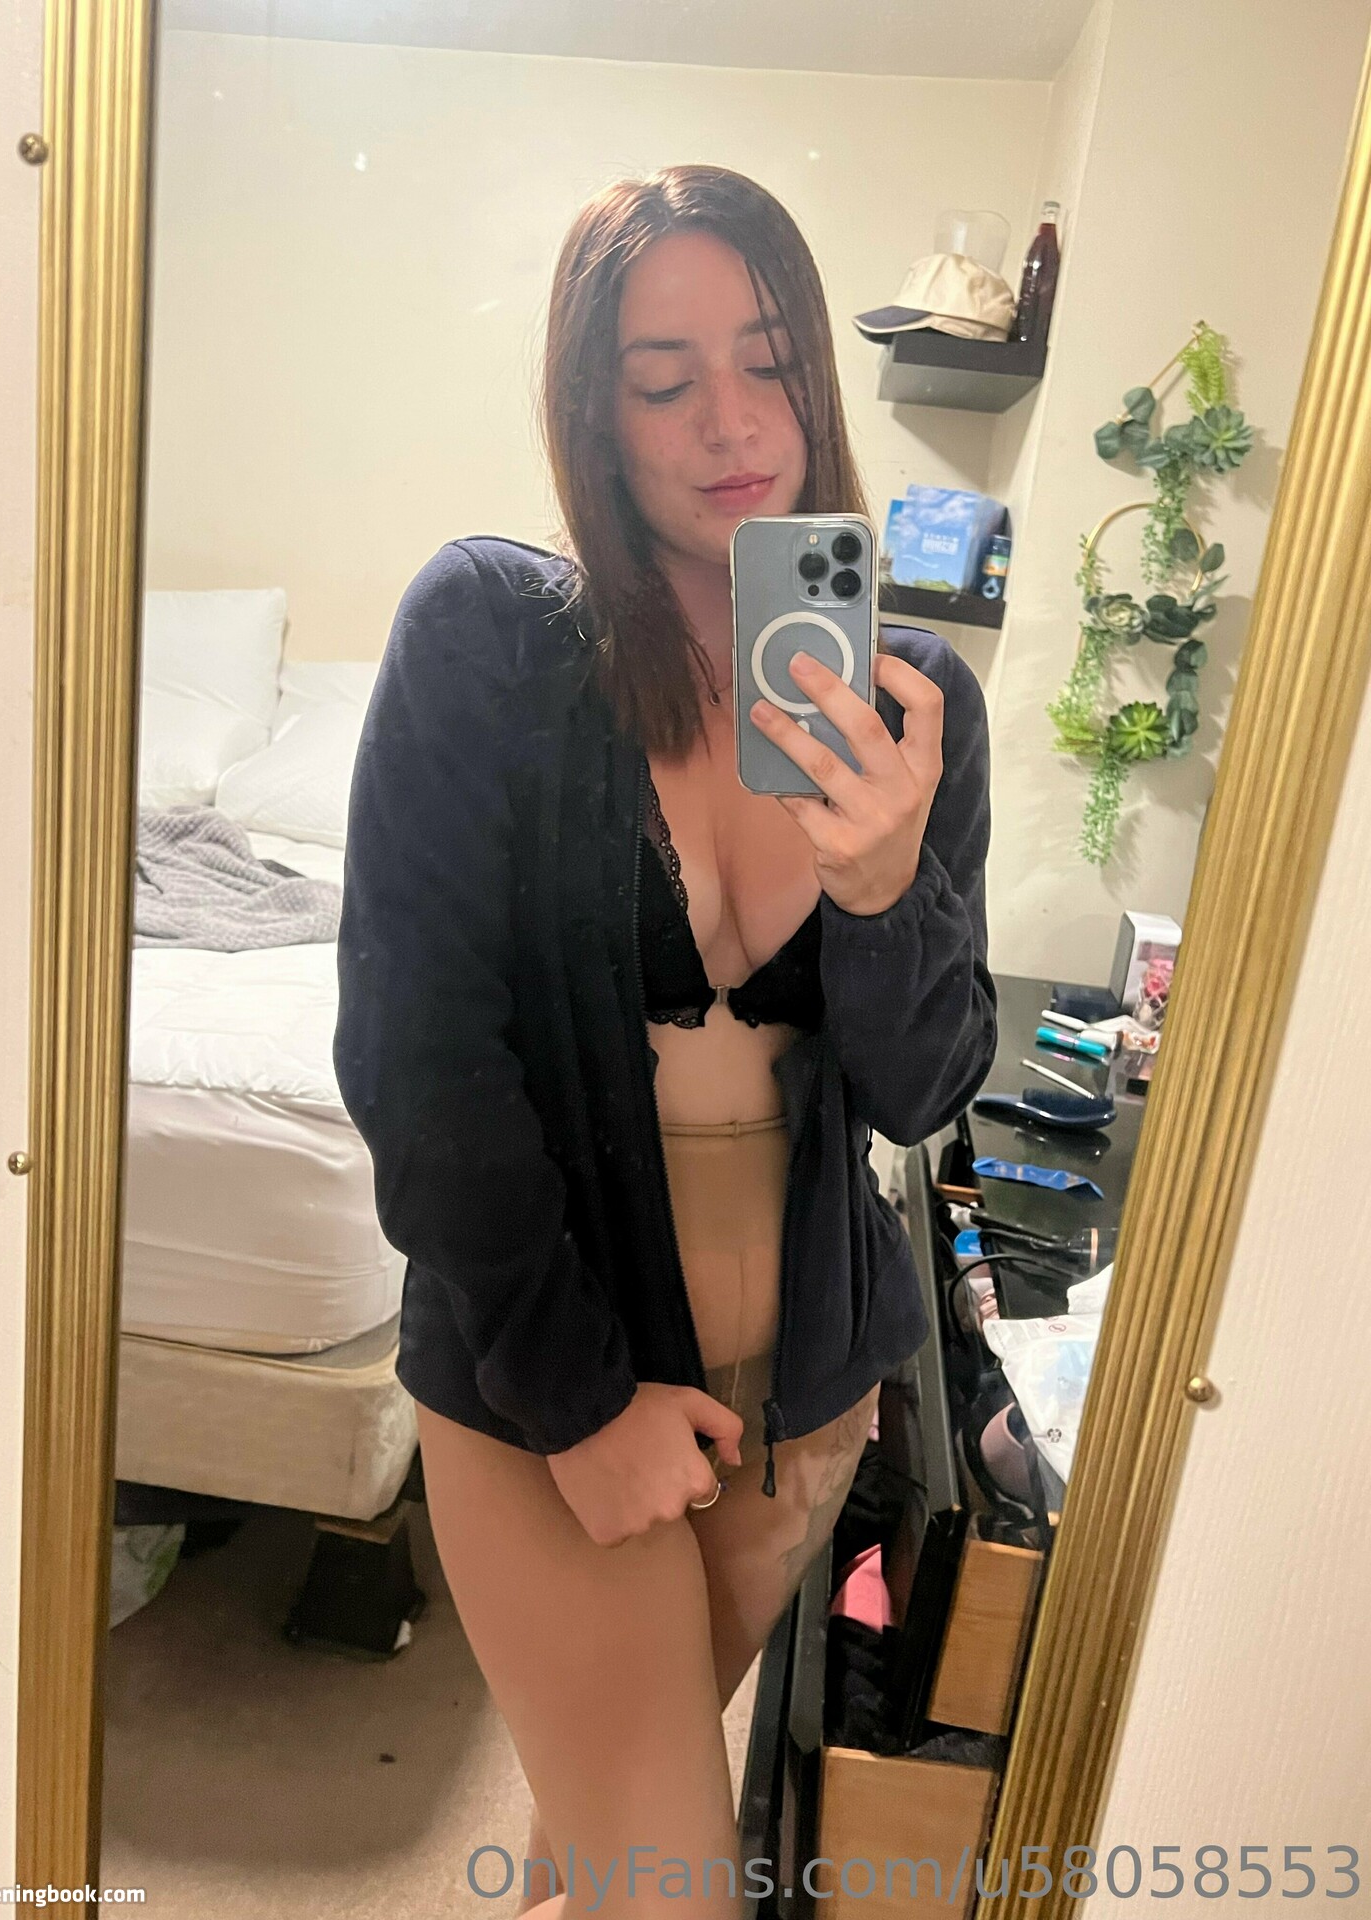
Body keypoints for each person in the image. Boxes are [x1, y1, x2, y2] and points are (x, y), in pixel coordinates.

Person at [333, 164, 996, 1918]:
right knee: (670, 1884)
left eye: (768, 361)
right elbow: (415, 1051)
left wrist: (885, 888)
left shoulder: (914, 702)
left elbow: (926, 1088)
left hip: (805, 1412)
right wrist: (576, 1404)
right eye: (662, 377)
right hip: (555, 1379)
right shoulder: (491, 642)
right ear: (593, 411)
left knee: (601, 1848)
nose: (731, 422)